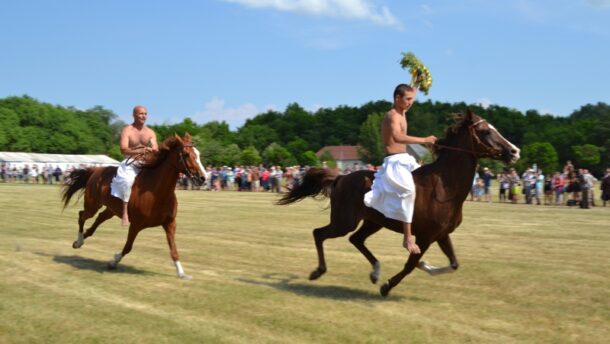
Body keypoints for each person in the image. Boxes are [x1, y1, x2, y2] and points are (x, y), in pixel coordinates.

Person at [363, 84, 437, 254]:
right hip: (394, 162)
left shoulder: (402, 111)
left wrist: (417, 82)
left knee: (427, 182)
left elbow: (411, 94)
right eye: (408, 99)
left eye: (412, 99)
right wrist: (424, 139)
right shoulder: (392, 116)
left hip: (406, 160)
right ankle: (407, 238)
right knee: (409, 191)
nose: (411, 103)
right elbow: (397, 136)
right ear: (397, 99)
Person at [110, 105, 158, 226]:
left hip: (145, 163)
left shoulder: (150, 132)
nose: (144, 116)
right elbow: (123, 149)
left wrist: (153, 150)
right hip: (130, 163)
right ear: (134, 115)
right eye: (141, 113)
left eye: (145, 114)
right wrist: (140, 151)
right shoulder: (127, 130)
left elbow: (155, 148)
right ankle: (125, 212)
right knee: (128, 181)